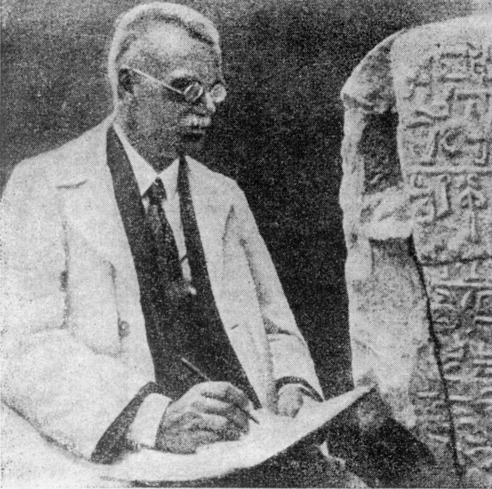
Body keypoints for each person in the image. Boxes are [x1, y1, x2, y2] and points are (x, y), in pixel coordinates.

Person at [0, 3, 359, 486]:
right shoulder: (43, 185)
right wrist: (152, 418)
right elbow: (20, 345)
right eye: (186, 88)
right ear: (128, 85)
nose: (207, 107)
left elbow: (276, 326)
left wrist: (293, 385)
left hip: (245, 443)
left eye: (214, 90)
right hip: (123, 451)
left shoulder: (223, 194)